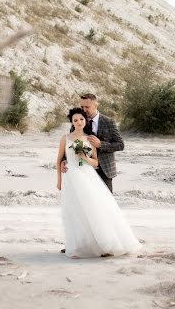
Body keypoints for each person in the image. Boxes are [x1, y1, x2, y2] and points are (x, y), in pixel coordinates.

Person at [56, 108, 141, 258]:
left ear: (85, 121)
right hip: (71, 177)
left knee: (94, 208)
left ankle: (103, 243)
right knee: (74, 211)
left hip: (87, 175)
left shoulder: (90, 139)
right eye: (75, 120)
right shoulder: (66, 138)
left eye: (81, 119)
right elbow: (59, 159)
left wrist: (84, 157)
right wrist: (59, 181)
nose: (78, 122)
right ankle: (77, 245)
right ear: (72, 122)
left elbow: (95, 161)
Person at [60, 93, 124, 193]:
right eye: (82, 107)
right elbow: (70, 143)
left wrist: (100, 144)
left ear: (96, 105)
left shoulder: (109, 122)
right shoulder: (78, 122)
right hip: (82, 169)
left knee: (106, 201)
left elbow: (120, 144)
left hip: (105, 170)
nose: (84, 110)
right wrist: (64, 159)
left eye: (87, 107)